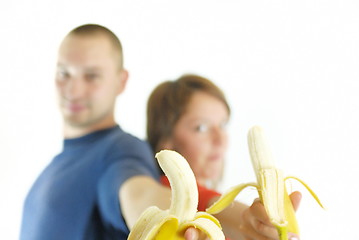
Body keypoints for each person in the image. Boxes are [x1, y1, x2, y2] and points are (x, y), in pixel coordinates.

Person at [19, 24, 207, 240]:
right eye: (64, 73)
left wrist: (168, 221)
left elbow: (138, 192)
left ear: (121, 81)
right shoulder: (54, 167)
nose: (73, 90)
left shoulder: (120, 149)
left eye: (91, 76)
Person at [146, 74, 302, 240]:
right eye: (201, 127)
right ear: (166, 141)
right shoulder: (163, 196)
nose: (220, 139)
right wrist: (250, 223)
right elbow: (212, 207)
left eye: (222, 125)